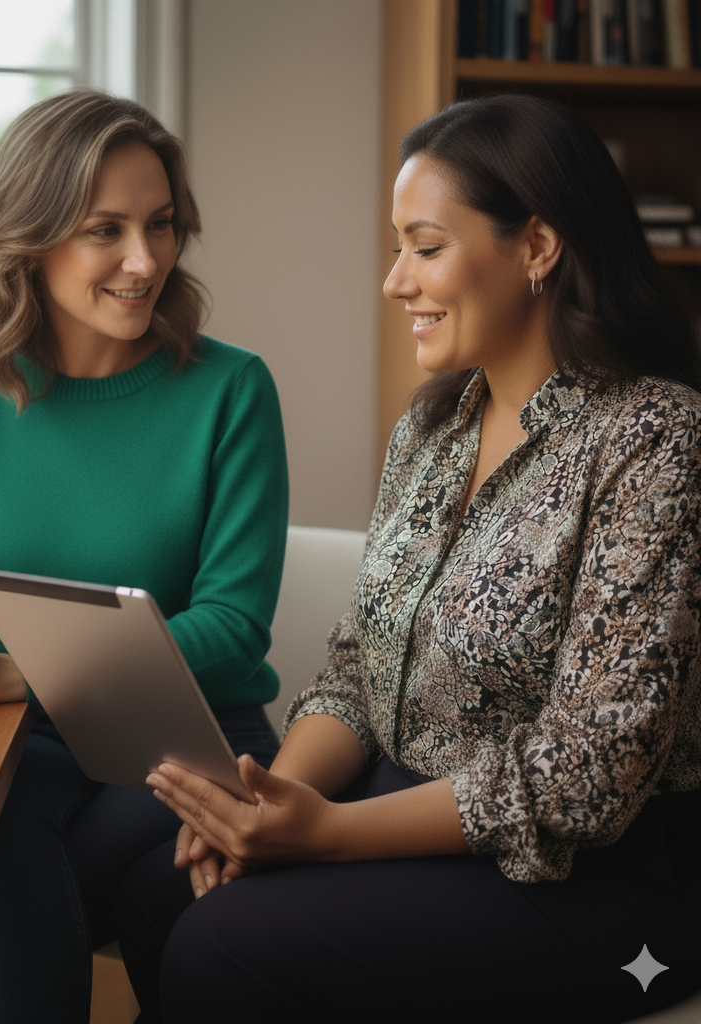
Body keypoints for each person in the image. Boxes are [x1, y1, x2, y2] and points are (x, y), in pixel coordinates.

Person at [116, 94, 701, 1024]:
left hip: (600, 884)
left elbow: (592, 769)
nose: (395, 282)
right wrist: (274, 804)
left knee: (220, 945)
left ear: (538, 248)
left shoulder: (656, 439)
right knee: (158, 890)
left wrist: (331, 835)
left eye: (424, 247)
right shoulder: (432, 428)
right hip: (406, 813)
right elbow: (360, 665)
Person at [0, 89, 288, 1023]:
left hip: (190, 745)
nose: (144, 260)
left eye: (160, 225)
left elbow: (235, 631)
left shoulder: (231, 389)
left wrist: (24, 670)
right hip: (20, 743)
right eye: (104, 230)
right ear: (28, 241)